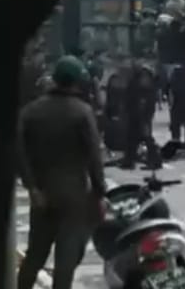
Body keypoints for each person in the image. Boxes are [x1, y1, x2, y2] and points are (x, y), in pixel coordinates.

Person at [16, 55, 107, 289]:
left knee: (35, 254)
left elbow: (19, 153)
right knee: (66, 258)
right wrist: (99, 192)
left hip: (42, 193)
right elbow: (94, 157)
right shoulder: (82, 112)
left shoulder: (30, 111)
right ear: (77, 82)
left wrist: (32, 187)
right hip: (74, 194)